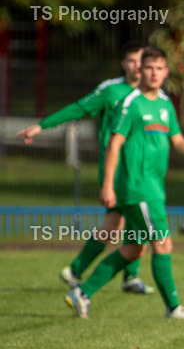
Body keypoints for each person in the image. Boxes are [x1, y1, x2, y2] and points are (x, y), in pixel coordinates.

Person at [65, 47, 184, 319]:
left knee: (133, 249)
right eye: (149, 68)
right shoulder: (131, 103)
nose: (154, 73)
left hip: (153, 188)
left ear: (166, 72)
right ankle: (173, 307)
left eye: (159, 68)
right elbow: (114, 144)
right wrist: (107, 185)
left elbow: (177, 140)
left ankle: (82, 294)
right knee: (163, 244)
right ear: (139, 70)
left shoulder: (165, 105)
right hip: (138, 188)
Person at [16, 42, 155, 295]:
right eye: (132, 61)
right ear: (123, 64)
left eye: (142, 61)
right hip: (117, 171)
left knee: (121, 222)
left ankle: (114, 274)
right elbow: (79, 108)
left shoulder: (152, 95)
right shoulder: (111, 90)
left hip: (140, 171)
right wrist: (42, 125)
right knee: (122, 222)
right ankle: (88, 272)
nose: (138, 66)